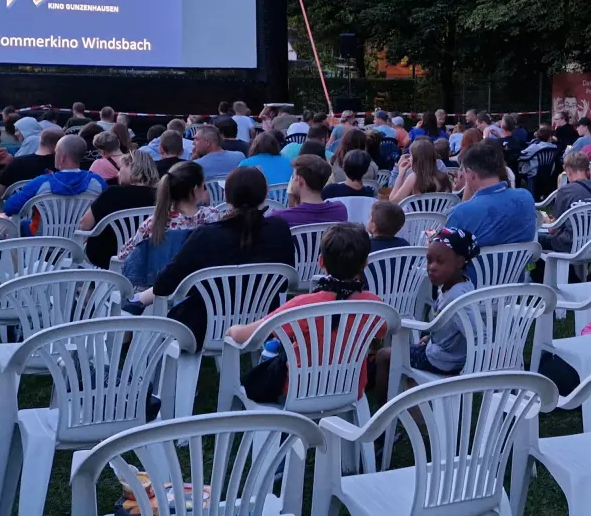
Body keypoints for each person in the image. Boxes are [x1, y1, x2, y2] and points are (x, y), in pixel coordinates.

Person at [136, 167, 295, 349]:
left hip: (203, 326)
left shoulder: (207, 235)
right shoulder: (279, 229)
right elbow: (285, 282)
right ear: (266, 194)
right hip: (263, 323)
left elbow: (164, 284)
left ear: (225, 197)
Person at [231, 223, 384, 404]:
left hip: (298, 391)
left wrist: (232, 330)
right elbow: (383, 332)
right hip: (349, 389)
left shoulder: (302, 306)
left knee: (259, 376)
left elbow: (248, 335)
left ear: (321, 262)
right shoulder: (375, 305)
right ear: (365, 264)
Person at [371, 226, 479, 396]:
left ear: (460, 262)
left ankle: (384, 407)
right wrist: (431, 337)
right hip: (447, 354)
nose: (432, 267)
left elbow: (477, 333)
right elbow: (452, 327)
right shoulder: (462, 284)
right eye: (429, 261)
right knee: (410, 364)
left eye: (440, 262)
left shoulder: (456, 297)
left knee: (384, 355)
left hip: (443, 361)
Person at [116, 161, 218, 266]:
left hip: (161, 275)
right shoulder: (212, 216)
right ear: (195, 190)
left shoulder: (152, 224)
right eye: (203, 186)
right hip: (205, 275)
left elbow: (124, 256)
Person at [445, 140, 539, 248]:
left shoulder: (461, 212)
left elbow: (444, 251)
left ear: (471, 174)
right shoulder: (526, 197)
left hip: (477, 260)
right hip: (519, 259)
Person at [2, 135, 107, 228]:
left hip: (41, 239)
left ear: (63, 157)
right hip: (81, 238)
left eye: (56, 152)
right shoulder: (97, 182)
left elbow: (10, 207)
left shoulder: (41, 182)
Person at [78, 150, 161, 267]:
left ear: (131, 167)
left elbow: (84, 224)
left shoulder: (111, 193)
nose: (118, 173)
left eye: (121, 168)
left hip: (106, 257)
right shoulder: (160, 196)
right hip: (146, 258)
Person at [545, 152, 591, 251]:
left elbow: (553, 229)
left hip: (570, 244)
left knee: (536, 239)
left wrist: (545, 219)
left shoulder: (566, 191)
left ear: (568, 171)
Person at [270, 154, 349, 227]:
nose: (292, 180)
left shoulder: (279, 217)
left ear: (300, 180)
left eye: (293, 176)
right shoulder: (340, 210)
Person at [0, 125, 58, 199]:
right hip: (56, 205)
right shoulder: (63, 167)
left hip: (17, 205)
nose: (15, 133)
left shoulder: (16, 163)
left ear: (40, 142)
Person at [389, 138, 453, 202]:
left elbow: (393, 201)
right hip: (440, 209)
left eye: (411, 155)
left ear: (417, 159)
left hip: (415, 209)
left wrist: (401, 174)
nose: (409, 159)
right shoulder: (444, 177)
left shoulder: (414, 177)